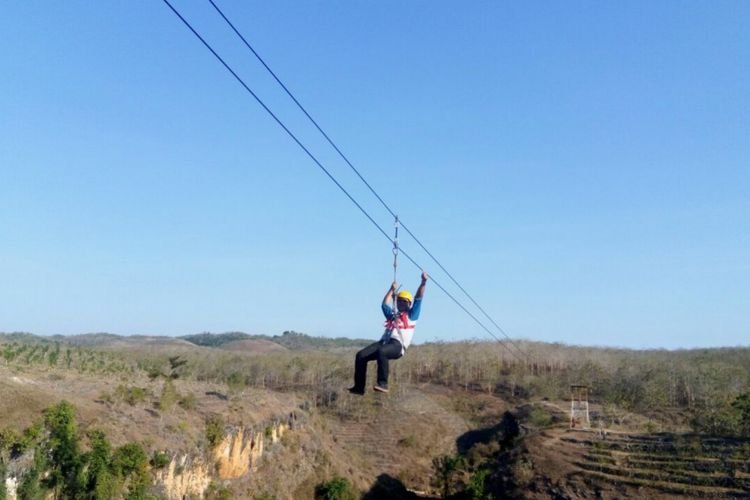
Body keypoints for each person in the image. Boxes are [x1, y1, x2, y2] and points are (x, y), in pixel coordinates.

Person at [348, 271, 428, 394]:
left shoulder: (412, 315)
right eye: (399, 301)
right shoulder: (392, 316)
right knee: (360, 356)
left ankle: (383, 383)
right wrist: (391, 290)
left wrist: (423, 282)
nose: (401, 303)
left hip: (397, 346)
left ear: (409, 304)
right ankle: (359, 387)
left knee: (382, 352)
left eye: (404, 301)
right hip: (384, 342)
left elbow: (419, 298)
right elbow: (384, 304)